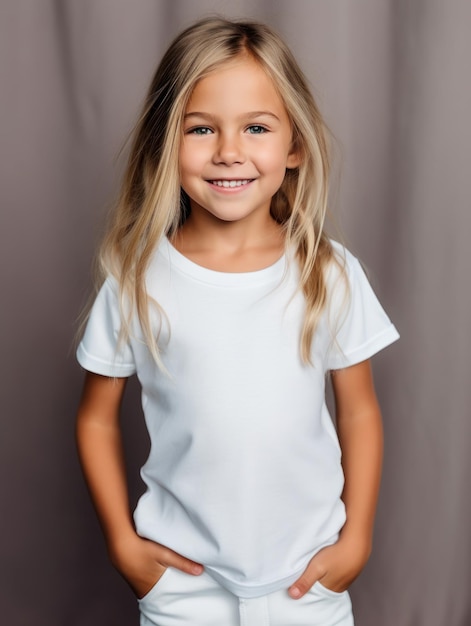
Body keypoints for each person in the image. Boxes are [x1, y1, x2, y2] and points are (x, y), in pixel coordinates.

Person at [75, 17, 399, 626]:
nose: (229, 151)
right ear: (165, 143)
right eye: (201, 129)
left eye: (256, 127)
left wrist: (356, 538)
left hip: (309, 585)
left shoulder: (325, 271)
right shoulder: (137, 277)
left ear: (294, 145)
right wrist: (125, 545)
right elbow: (95, 418)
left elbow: (358, 409)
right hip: (183, 590)